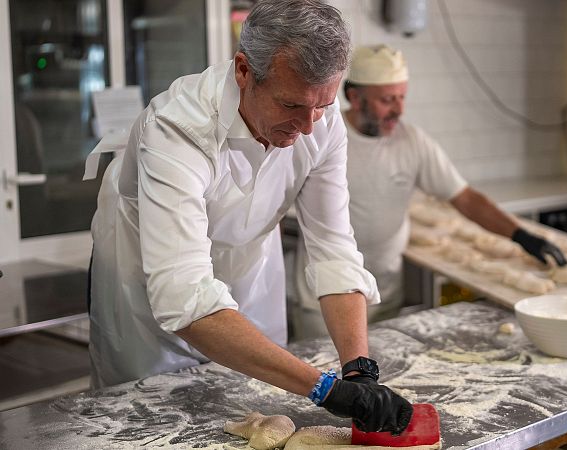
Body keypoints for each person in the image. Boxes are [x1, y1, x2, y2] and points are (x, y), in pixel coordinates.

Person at [86, 2, 411, 434]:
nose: (308, 126)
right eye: (291, 104)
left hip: (249, 274)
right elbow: (183, 297)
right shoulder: (177, 129)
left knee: (254, 413)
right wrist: (325, 390)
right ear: (243, 71)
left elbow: (334, 249)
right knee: (154, 426)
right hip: (147, 299)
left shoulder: (321, 120)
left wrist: (357, 370)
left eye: (322, 105)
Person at [292, 44, 567, 338]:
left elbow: (465, 198)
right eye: (387, 100)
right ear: (355, 97)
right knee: (327, 381)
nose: (399, 110)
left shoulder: (411, 142)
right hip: (323, 303)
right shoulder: (322, 138)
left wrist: (522, 236)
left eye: (402, 97)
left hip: (383, 297)